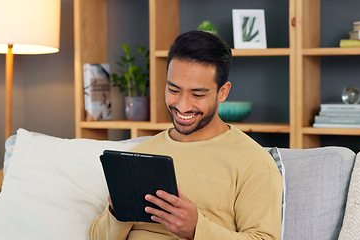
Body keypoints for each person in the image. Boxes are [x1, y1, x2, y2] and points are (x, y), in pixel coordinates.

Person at [89, 31, 283, 240]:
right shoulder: (140, 155)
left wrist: (196, 229)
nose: (182, 106)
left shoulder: (253, 162)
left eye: (197, 95)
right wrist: (117, 212)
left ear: (223, 92)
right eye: (173, 90)